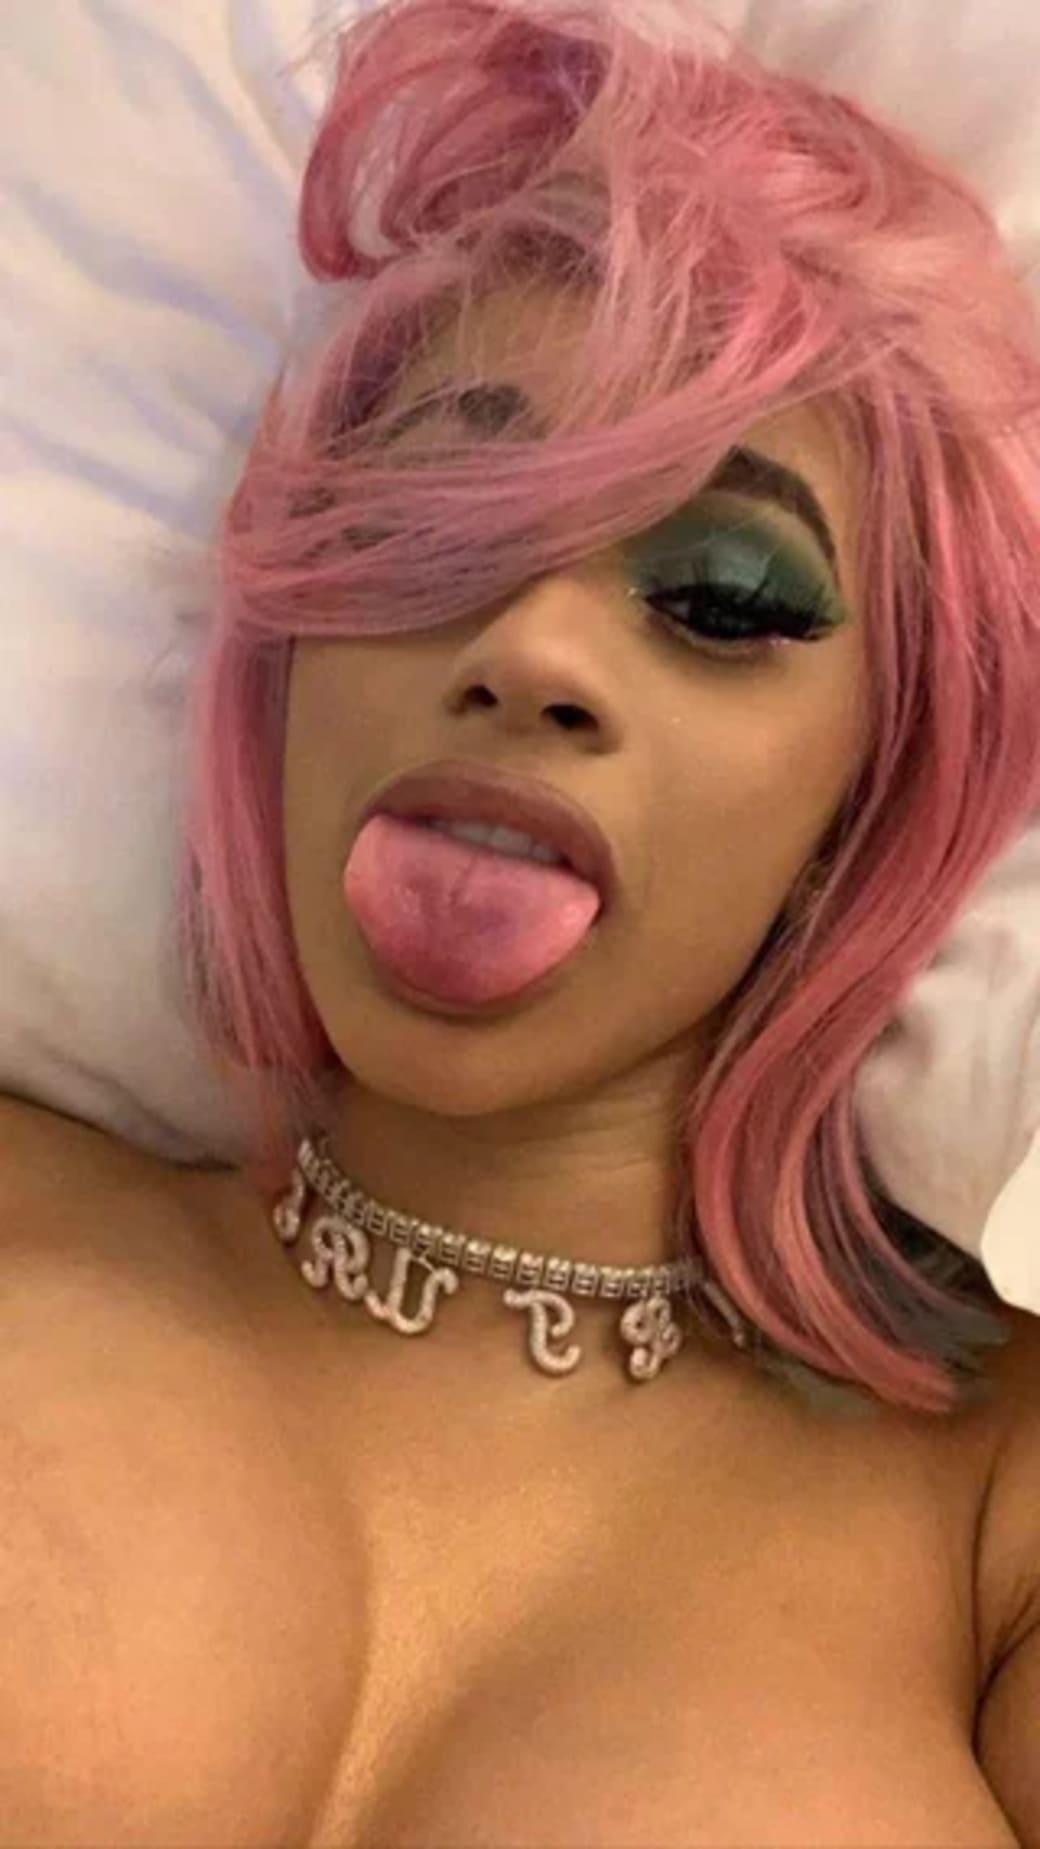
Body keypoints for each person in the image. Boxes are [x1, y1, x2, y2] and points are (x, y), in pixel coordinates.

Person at [3, 0, 1040, 1842]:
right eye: (438, 527)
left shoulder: (996, 1509)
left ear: (864, 799)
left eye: (720, 595)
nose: (529, 648)